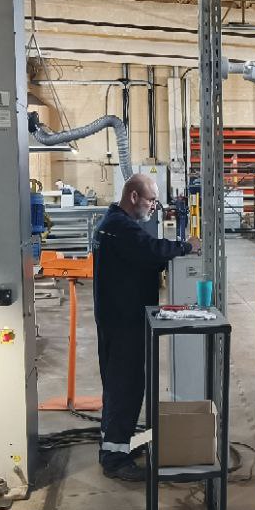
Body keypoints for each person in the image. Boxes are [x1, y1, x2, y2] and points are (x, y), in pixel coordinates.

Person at [94, 174, 201, 481]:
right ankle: (115, 458)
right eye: (151, 200)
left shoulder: (113, 223)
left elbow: (141, 256)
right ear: (133, 197)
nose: (155, 206)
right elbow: (150, 250)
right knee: (125, 387)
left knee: (118, 385)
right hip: (123, 322)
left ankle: (117, 444)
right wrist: (186, 246)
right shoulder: (120, 227)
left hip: (117, 318)